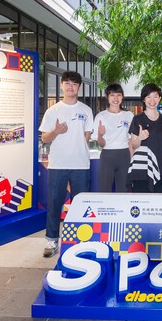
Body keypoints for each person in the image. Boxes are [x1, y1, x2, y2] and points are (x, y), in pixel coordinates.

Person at [38, 71, 93, 258]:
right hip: (58, 164)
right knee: (55, 203)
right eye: (67, 83)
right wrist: (56, 131)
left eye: (74, 84)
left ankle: (81, 241)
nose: (71, 87)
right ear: (62, 85)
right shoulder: (53, 110)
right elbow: (45, 138)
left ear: (79, 87)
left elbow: (87, 136)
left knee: (81, 205)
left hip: (81, 164)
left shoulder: (86, 110)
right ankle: (52, 240)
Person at [127, 83, 162, 193]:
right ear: (144, 99)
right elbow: (133, 145)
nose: (152, 100)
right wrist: (140, 138)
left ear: (160, 98)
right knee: (141, 204)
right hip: (141, 167)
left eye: (155, 96)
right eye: (148, 96)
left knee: (158, 204)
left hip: (160, 167)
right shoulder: (137, 119)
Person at [92, 83, 134, 193]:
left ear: (122, 97)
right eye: (112, 95)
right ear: (107, 96)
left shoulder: (129, 115)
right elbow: (101, 144)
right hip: (107, 156)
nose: (116, 98)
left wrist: (132, 158)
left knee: (123, 190)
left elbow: (130, 141)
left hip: (124, 155)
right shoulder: (101, 116)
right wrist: (100, 135)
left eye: (118, 95)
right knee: (104, 190)